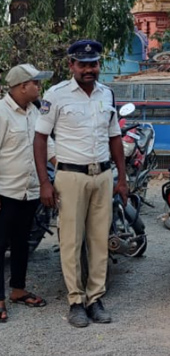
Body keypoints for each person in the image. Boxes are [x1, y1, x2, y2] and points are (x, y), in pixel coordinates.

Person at [34, 39, 128, 328]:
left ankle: (95, 298)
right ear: (72, 65)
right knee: (72, 241)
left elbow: (114, 137)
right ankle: (75, 300)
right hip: (70, 176)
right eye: (83, 64)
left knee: (100, 239)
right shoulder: (56, 95)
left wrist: (121, 178)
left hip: (101, 175)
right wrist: (44, 184)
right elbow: (40, 138)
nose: (89, 69)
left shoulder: (107, 94)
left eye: (94, 64)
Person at [0, 64, 55, 322]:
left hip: (29, 191)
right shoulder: (1, 113)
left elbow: (49, 146)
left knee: (22, 242)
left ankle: (18, 290)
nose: (39, 87)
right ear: (23, 86)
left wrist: (64, 168)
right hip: (5, 192)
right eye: (36, 83)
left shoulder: (35, 112)